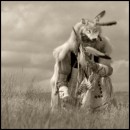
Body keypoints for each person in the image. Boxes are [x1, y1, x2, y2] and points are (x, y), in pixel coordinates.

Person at [51, 10, 117, 111]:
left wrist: (97, 67)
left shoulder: (101, 50)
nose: (89, 42)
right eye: (86, 39)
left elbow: (109, 71)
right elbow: (61, 79)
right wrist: (65, 95)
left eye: (92, 39)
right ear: (79, 38)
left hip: (96, 93)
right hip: (72, 92)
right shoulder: (68, 53)